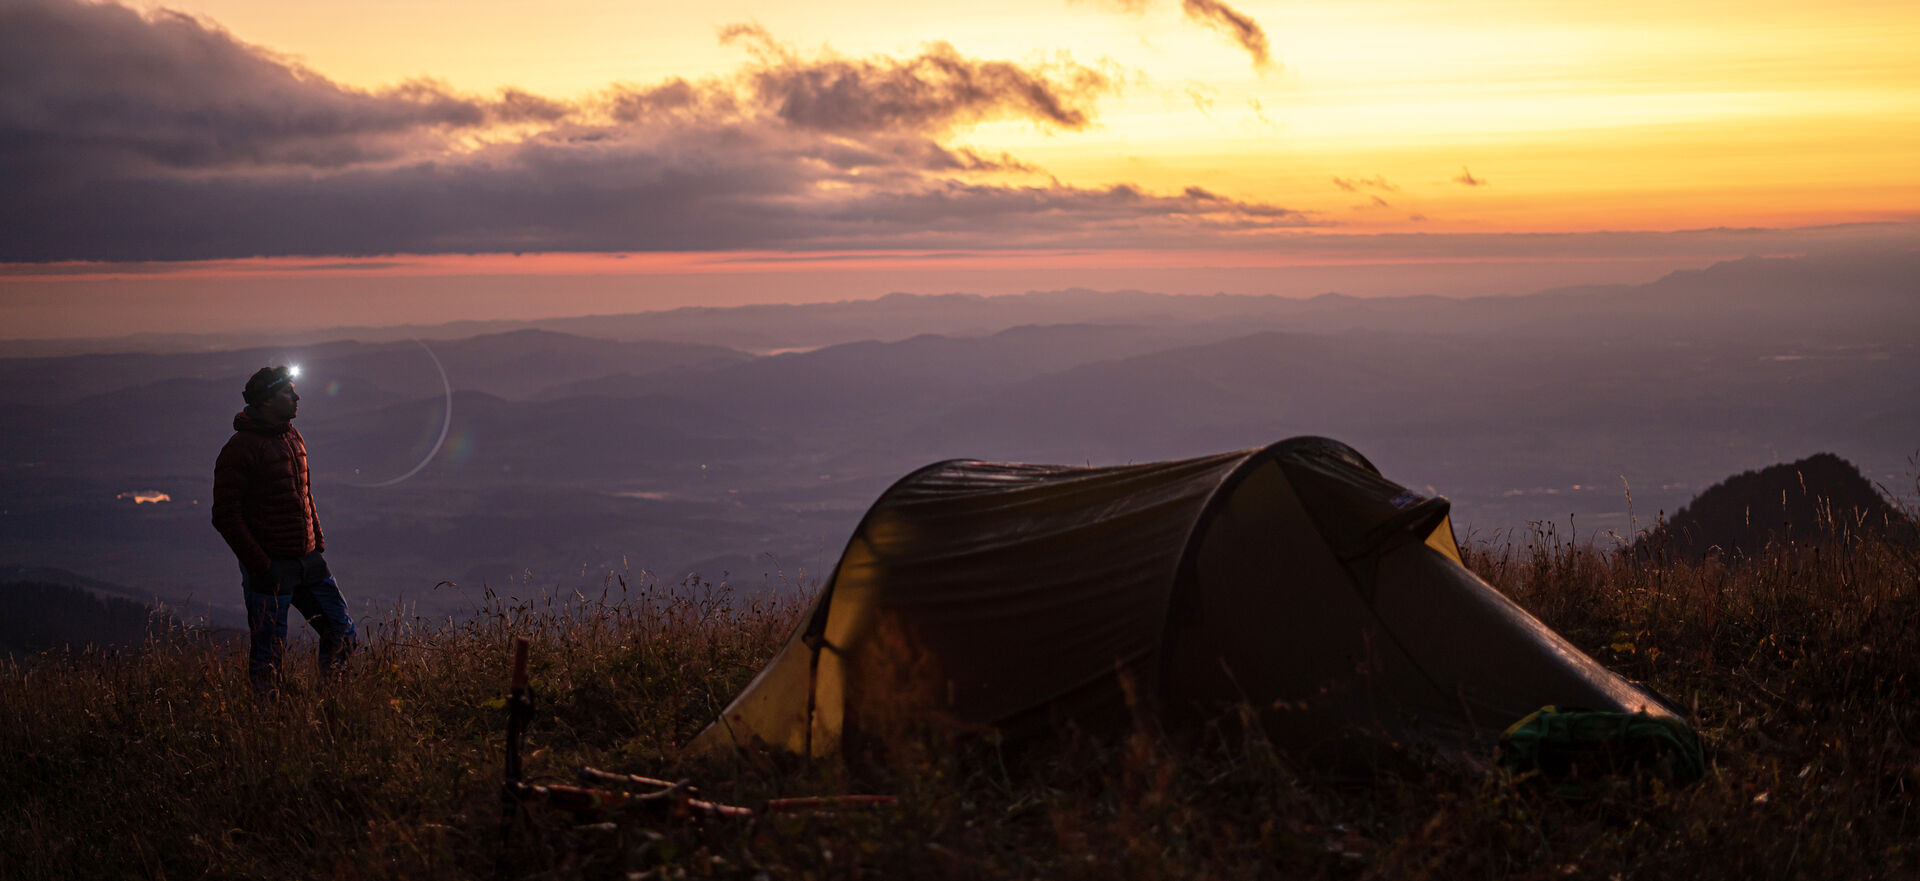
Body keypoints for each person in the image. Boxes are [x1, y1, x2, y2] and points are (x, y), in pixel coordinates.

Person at [212, 365, 356, 695]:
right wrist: (261, 565)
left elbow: (303, 492)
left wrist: (316, 542)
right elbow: (225, 515)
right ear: (266, 401)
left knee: (342, 633)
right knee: (269, 655)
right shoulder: (240, 449)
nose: (296, 397)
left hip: (308, 561)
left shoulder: (292, 436)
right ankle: (268, 727)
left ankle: (329, 706)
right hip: (271, 568)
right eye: (287, 393)